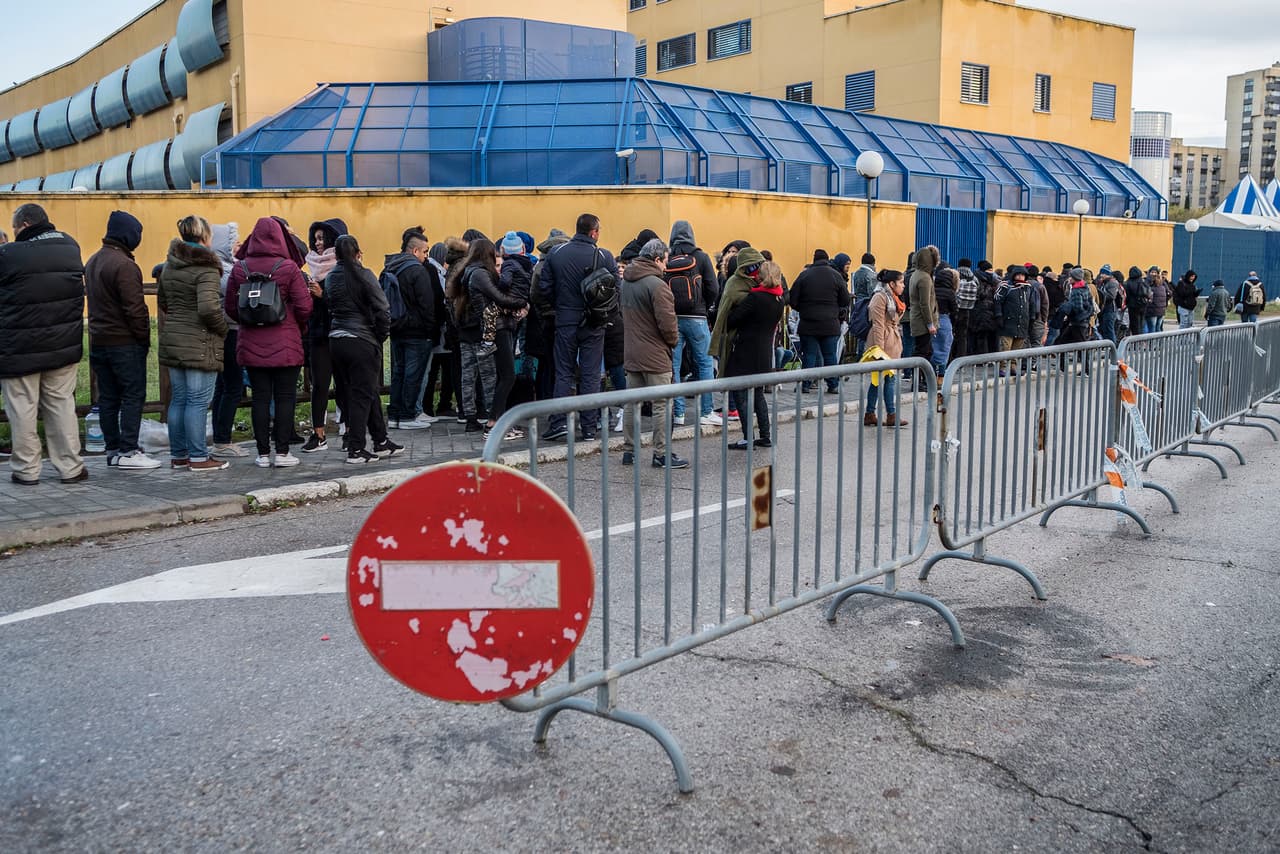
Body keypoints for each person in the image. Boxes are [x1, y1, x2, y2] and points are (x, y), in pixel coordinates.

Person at [0, 204, 88, 486]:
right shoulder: (70, 246)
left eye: (15, 229)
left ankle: (27, 470)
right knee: (61, 404)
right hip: (63, 345)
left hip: (19, 348)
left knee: (23, 407)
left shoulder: (9, 254)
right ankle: (71, 467)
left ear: (24, 225)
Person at [225, 216, 312, 468]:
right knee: (286, 397)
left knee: (260, 398)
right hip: (286, 344)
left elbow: (231, 307)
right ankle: (283, 453)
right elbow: (305, 306)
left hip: (250, 343)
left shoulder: (240, 268)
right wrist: (295, 322)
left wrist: (250, 321)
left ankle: (262, 454)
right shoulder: (288, 268)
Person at [84, 210, 160, 471]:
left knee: (108, 398)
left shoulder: (94, 261)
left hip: (99, 340)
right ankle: (129, 450)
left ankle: (113, 449)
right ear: (128, 235)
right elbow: (135, 308)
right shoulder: (125, 265)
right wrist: (143, 338)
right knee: (132, 394)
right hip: (124, 342)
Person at [157, 215, 230, 472]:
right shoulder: (207, 267)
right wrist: (222, 330)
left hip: (173, 338)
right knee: (198, 401)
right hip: (199, 341)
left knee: (179, 399)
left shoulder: (169, 265)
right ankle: (199, 457)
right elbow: (209, 308)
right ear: (205, 236)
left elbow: (164, 302)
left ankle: (179, 455)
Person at [538, 214, 619, 442]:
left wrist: (561, 306)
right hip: (594, 323)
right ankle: (589, 427)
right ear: (594, 232)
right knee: (591, 375)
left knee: (563, 372)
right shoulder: (604, 256)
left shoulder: (556, 253)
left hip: (565, 320)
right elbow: (615, 290)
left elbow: (544, 288)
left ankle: (559, 423)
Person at [324, 234, 402, 463]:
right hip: (361, 338)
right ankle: (356, 447)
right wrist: (379, 336)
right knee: (361, 394)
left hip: (336, 339)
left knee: (364, 391)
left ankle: (381, 440)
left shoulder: (330, 278)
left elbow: (330, 306)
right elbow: (383, 308)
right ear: (358, 253)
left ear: (336, 256)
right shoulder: (364, 274)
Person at [618, 238, 686, 469]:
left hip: (632, 352)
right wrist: (673, 342)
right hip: (655, 354)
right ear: (657, 260)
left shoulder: (626, 281)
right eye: (665, 261)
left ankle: (629, 451)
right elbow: (668, 325)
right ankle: (661, 454)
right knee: (661, 404)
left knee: (632, 403)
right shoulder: (657, 286)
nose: (666, 267)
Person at [449, 237, 526, 433]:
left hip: (481, 330)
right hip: (493, 329)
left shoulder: (469, 272)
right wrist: (521, 303)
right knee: (499, 376)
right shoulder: (479, 274)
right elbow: (499, 298)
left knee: (492, 376)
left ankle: (488, 420)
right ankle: (493, 423)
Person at [384, 227, 443, 431]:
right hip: (417, 332)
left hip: (396, 327)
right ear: (415, 251)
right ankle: (408, 415)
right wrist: (429, 329)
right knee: (413, 374)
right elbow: (427, 304)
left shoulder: (390, 267)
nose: (427, 257)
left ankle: (394, 415)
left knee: (398, 373)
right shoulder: (417, 270)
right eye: (425, 252)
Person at [725, 260, 786, 449]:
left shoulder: (755, 298)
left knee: (740, 394)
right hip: (764, 353)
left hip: (746, 352)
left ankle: (748, 437)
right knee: (758, 394)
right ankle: (765, 435)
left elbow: (733, 320)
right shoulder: (779, 299)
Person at [667, 220, 721, 427]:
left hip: (673, 317)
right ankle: (706, 411)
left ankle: (678, 413)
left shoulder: (668, 256)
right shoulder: (701, 256)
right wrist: (704, 306)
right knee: (705, 363)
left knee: (675, 366)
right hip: (697, 318)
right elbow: (713, 287)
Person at [300, 218, 347, 452]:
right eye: (315, 238)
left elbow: (348, 303)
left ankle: (349, 428)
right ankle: (318, 433)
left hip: (341, 333)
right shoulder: (310, 266)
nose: (318, 244)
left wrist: (322, 295)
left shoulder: (344, 266)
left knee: (345, 383)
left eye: (322, 238)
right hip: (318, 335)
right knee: (319, 384)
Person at [789, 248, 851, 393]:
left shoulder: (804, 275)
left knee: (809, 355)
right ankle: (833, 385)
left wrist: (803, 309)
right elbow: (845, 300)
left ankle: (805, 385)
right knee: (830, 355)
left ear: (814, 259)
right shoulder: (836, 276)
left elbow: (793, 299)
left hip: (808, 323)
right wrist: (834, 309)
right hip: (830, 324)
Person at [208, 223, 246, 458]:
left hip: (227, 331)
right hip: (229, 331)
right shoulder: (222, 270)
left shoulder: (223, 266)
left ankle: (220, 436)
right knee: (232, 386)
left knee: (223, 386)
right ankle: (222, 440)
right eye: (234, 241)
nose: (237, 245)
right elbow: (234, 292)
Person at [492, 231, 533, 439]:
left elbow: (506, 282)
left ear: (504, 252)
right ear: (523, 250)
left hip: (509, 311)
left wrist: (498, 288)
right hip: (520, 309)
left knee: (505, 371)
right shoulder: (527, 265)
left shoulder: (508, 265)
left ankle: (495, 420)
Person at [862, 269, 907, 428]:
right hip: (882, 343)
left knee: (882, 379)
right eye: (901, 282)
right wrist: (879, 350)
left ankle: (871, 413)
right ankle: (890, 414)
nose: (903, 285)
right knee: (885, 379)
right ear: (891, 283)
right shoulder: (880, 297)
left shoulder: (893, 297)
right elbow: (878, 326)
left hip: (892, 341)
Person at [711, 246, 767, 369]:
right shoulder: (734, 284)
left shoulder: (765, 283)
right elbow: (723, 315)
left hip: (761, 339)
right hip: (738, 338)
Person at [908, 245, 940, 383]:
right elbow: (925, 303)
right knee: (924, 352)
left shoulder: (915, 274)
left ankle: (919, 380)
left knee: (921, 350)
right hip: (922, 321)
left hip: (916, 318)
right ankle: (920, 382)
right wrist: (930, 323)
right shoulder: (925, 278)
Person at [995, 266, 1032, 373]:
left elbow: (1031, 304)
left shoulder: (1027, 288)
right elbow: (997, 301)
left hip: (1022, 323)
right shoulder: (1006, 286)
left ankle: (1013, 367)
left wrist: (1032, 317)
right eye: (1018, 274)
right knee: (1005, 347)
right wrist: (999, 316)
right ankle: (1003, 367)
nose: (1020, 277)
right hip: (1008, 322)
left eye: (1023, 275)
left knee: (1017, 347)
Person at [968, 261, 1000, 356]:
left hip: (990, 313)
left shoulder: (994, 281)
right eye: (989, 270)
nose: (991, 272)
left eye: (991, 270)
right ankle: (980, 358)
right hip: (979, 312)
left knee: (989, 336)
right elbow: (980, 295)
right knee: (980, 336)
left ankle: (987, 357)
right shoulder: (977, 280)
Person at [931, 259, 957, 375]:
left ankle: (930, 373)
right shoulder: (950, 293)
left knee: (932, 347)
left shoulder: (932, 290)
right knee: (945, 348)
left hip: (932, 319)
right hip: (945, 320)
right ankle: (941, 375)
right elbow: (954, 309)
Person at [1124, 266, 1149, 337]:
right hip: (1143, 305)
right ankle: (1141, 341)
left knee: (1134, 325)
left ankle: (1135, 342)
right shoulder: (1143, 281)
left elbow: (1127, 296)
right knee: (1141, 323)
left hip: (1132, 306)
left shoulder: (1128, 283)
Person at [1145, 265, 1169, 333]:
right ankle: (1158, 343)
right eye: (1152, 272)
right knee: (1158, 327)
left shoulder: (1149, 284)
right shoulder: (1163, 284)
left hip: (1153, 309)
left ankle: (1152, 343)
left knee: (1152, 327)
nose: (1153, 274)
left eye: (1154, 272)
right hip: (1161, 309)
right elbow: (1169, 293)